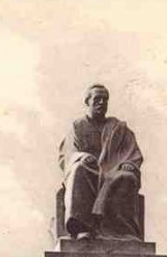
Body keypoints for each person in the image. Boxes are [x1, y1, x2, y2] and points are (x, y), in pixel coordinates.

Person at [59, 84, 143, 240]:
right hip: (88, 170)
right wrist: (81, 157)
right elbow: (68, 154)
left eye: (105, 99)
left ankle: (122, 232)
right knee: (78, 169)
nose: (102, 103)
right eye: (97, 99)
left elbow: (132, 153)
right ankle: (82, 228)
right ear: (87, 101)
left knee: (128, 177)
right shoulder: (78, 126)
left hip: (113, 172)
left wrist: (129, 164)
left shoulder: (118, 127)